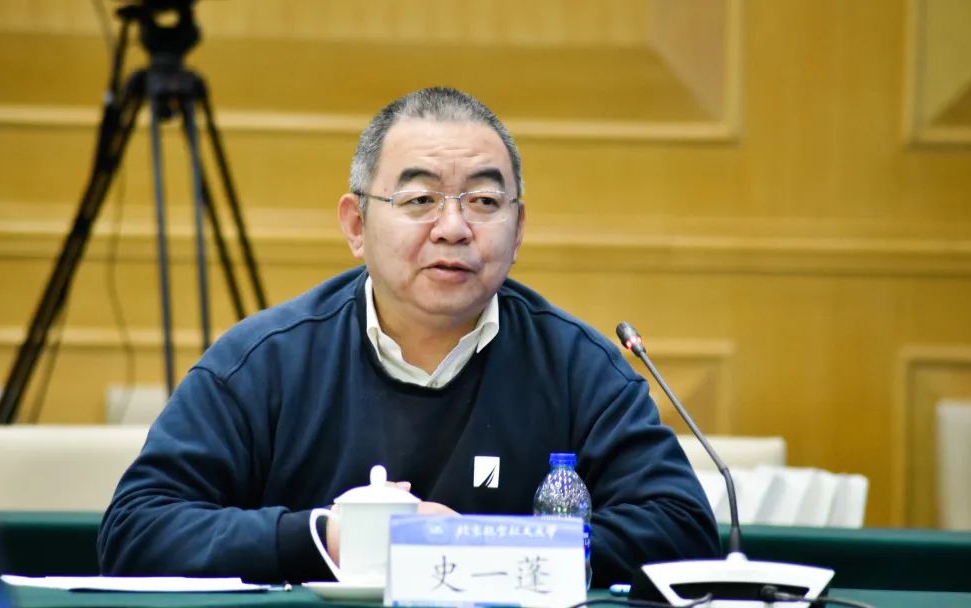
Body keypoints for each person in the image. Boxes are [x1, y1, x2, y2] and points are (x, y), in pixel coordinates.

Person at [97, 87, 719, 586]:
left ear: (518, 228)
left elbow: (683, 531)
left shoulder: (579, 369)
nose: (453, 227)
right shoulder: (264, 362)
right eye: (420, 199)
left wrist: (487, 547)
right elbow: (137, 530)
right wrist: (324, 537)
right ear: (356, 224)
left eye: (483, 201)